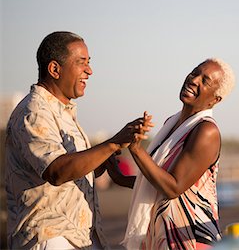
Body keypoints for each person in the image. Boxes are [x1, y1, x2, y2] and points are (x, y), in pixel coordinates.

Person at [4, 31, 151, 249]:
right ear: (54, 69)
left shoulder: (63, 111)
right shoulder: (34, 111)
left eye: (89, 63)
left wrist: (103, 160)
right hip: (50, 237)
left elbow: (73, 173)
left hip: (78, 237)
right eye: (81, 63)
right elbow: (56, 171)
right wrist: (112, 144)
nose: (89, 71)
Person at [121, 58, 235, 250]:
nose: (194, 80)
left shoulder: (206, 131)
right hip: (161, 236)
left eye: (205, 80)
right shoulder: (171, 123)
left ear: (216, 99)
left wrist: (136, 149)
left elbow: (173, 187)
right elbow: (153, 182)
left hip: (188, 238)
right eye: (194, 72)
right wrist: (118, 175)